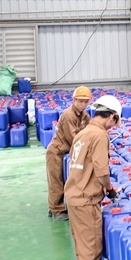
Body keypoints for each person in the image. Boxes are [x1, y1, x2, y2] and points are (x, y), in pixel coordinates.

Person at [64, 95, 122, 260]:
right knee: (91, 250)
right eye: (115, 122)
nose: (114, 127)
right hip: (86, 200)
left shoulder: (83, 132)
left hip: (74, 196)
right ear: (112, 117)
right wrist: (110, 189)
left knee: (83, 248)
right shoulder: (99, 135)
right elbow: (102, 170)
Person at [45, 86, 92, 220]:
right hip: (57, 152)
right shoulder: (68, 115)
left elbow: (91, 130)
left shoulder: (85, 116)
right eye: (80, 101)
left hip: (66, 153)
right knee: (56, 181)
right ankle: (56, 210)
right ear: (74, 100)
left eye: (85, 101)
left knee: (63, 181)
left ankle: (56, 207)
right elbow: (73, 138)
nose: (83, 104)